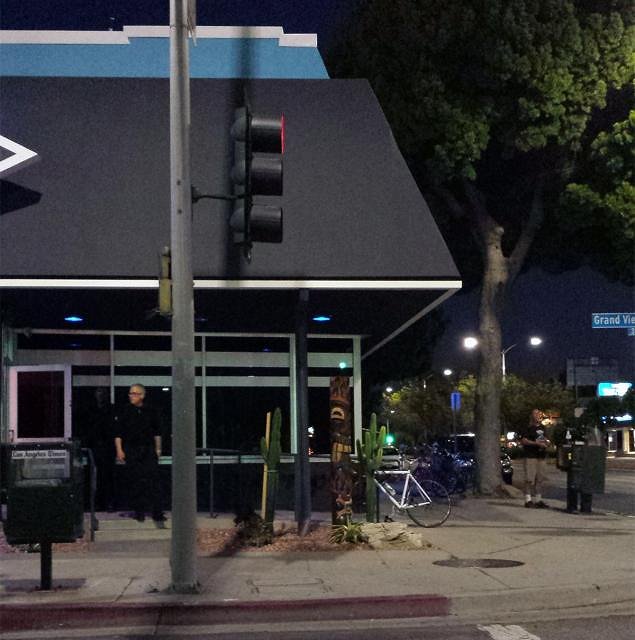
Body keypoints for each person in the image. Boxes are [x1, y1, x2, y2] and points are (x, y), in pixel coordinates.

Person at [114, 384, 166, 526]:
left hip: (148, 449)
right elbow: (118, 433)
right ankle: (139, 512)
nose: (131, 396)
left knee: (153, 481)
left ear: (142, 395)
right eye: (130, 393)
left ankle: (157, 512)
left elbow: (157, 432)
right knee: (136, 481)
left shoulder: (151, 411)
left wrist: (158, 450)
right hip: (132, 449)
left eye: (134, 393)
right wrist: (119, 450)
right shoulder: (125, 411)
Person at [85, 388, 116, 512]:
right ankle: (96, 503)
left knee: (108, 476)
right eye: (98, 393)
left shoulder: (111, 409)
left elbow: (113, 428)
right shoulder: (91, 409)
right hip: (95, 446)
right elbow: (88, 428)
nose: (100, 395)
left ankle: (109, 502)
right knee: (94, 476)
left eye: (102, 393)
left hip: (108, 447)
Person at [518, 409, 550, 509]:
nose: (538, 415)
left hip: (541, 456)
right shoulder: (527, 428)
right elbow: (524, 441)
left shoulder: (543, 428)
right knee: (529, 479)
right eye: (535, 414)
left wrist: (546, 442)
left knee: (540, 479)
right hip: (530, 456)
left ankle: (538, 500)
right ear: (531, 416)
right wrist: (536, 443)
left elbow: (546, 439)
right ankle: (528, 500)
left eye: (539, 414)